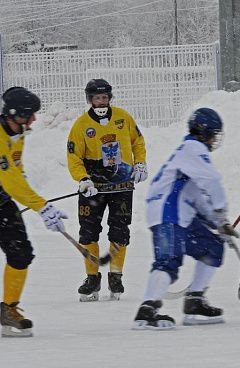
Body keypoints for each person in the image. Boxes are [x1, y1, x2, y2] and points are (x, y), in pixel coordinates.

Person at [132, 108, 238, 330]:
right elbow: (212, 180)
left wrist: (218, 223)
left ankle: (194, 300)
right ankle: (148, 308)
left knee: (212, 248)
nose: (213, 140)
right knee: (169, 259)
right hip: (167, 213)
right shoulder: (193, 148)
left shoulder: (190, 156)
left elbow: (198, 196)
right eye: (213, 134)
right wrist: (221, 212)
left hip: (180, 215)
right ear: (204, 132)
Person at [67, 79, 147, 302]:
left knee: (120, 230)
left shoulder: (124, 117)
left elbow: (137, 142)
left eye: (104, 97)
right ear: (89, 100)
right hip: (92, 188)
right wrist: (82, 179)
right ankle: (92, 277)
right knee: (89, 232)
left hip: (122, 186)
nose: (101, 102)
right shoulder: (81, 125)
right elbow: (74, 157)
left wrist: (140, 163)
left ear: (110, 98)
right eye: (96, 98)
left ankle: (116, 276)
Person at [0, 87, 68, 337]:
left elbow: (16, 172)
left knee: (21, 253)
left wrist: (40, 203)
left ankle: (8, 309)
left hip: (2, 201)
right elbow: (8, 178)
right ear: (14, 114)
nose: (35, 120)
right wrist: (43, 206)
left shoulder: (18, 133)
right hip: (4, 191)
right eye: (30, 115)